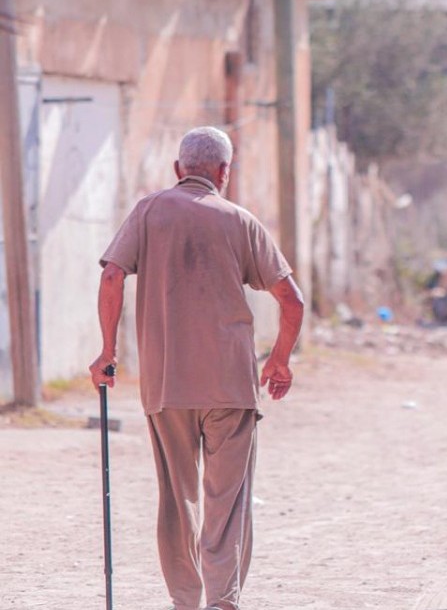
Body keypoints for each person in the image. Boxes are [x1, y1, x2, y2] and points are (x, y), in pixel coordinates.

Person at [88, 127, 305, 610]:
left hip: (167, 385)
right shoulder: (241, 221)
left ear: (178, 169)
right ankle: (223, 600)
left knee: (176, 499)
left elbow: (111, 274)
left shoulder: (148, 212)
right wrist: (280, 359)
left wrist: (108, 352)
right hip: (230, 384)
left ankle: (185, 600)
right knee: (226, 503)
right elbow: (292, 300)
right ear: (224, 172)